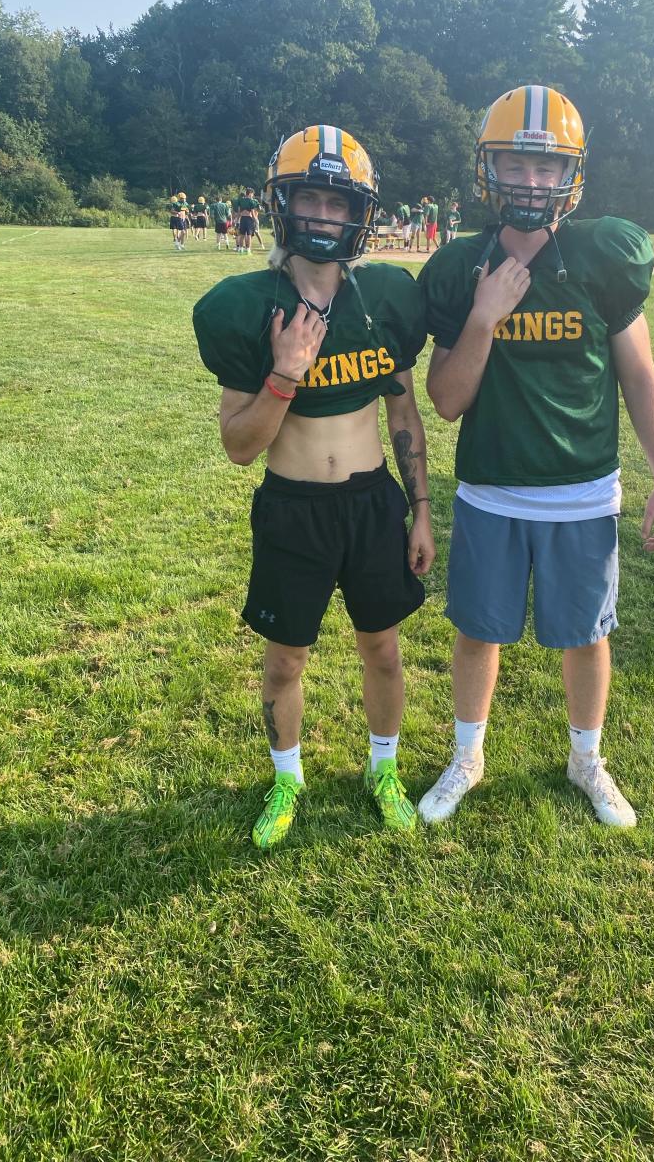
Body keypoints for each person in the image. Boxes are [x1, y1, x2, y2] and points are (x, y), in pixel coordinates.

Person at [417, 84, 654, 829]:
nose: (532, 182)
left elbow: (640, 375)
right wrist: (482, 318)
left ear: (571, 175)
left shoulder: (601, 258)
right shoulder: (461, 268)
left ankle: (586, 758)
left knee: (587, 636)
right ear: (488, 167)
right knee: (478, 632)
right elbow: (445, 400)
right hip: (492, 491)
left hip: (583, 491)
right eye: (516, 164)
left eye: (547, 168)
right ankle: (468, 754)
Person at [193, 124, 435, 849]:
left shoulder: (383, 299)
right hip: (293, 508)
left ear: (359, 213)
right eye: (310, 199)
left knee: (384, 649)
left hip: (370, 504)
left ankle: (383, 769)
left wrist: (420, 509)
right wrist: (284, 373)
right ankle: (287, 777)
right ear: (283, 204)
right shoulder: (246, 306)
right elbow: (240, 445)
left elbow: (402, 409)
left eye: (338, 203)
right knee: (284, 659)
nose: (323, 217)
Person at [234, 187, 262, 254]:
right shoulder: (251, 201)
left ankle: (240, 249)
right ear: (250, 193)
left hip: (242, 218)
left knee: (242, 235)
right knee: (249, 235)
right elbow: (252, 213)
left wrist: (236, 221)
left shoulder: (240, 200)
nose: (252, 195)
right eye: (252, 194)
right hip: (249, 219)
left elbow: (238, 212)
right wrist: (255, 221)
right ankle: (248, 250)